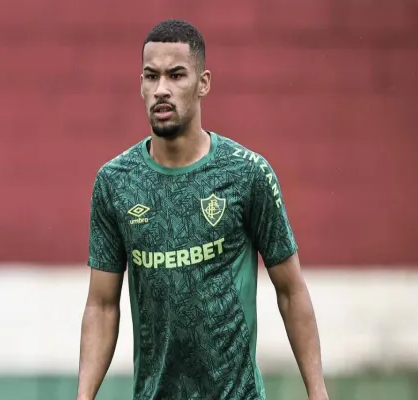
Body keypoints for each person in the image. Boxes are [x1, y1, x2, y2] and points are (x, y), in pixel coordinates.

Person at [77, 19, 328, 400]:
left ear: (203, 83)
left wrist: (318, 392)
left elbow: (291, 291)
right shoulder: (115, 182)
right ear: (141, 84)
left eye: (176, 75)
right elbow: (102, 305)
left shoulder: (247, 173)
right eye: (152, 76)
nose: (162, 89)